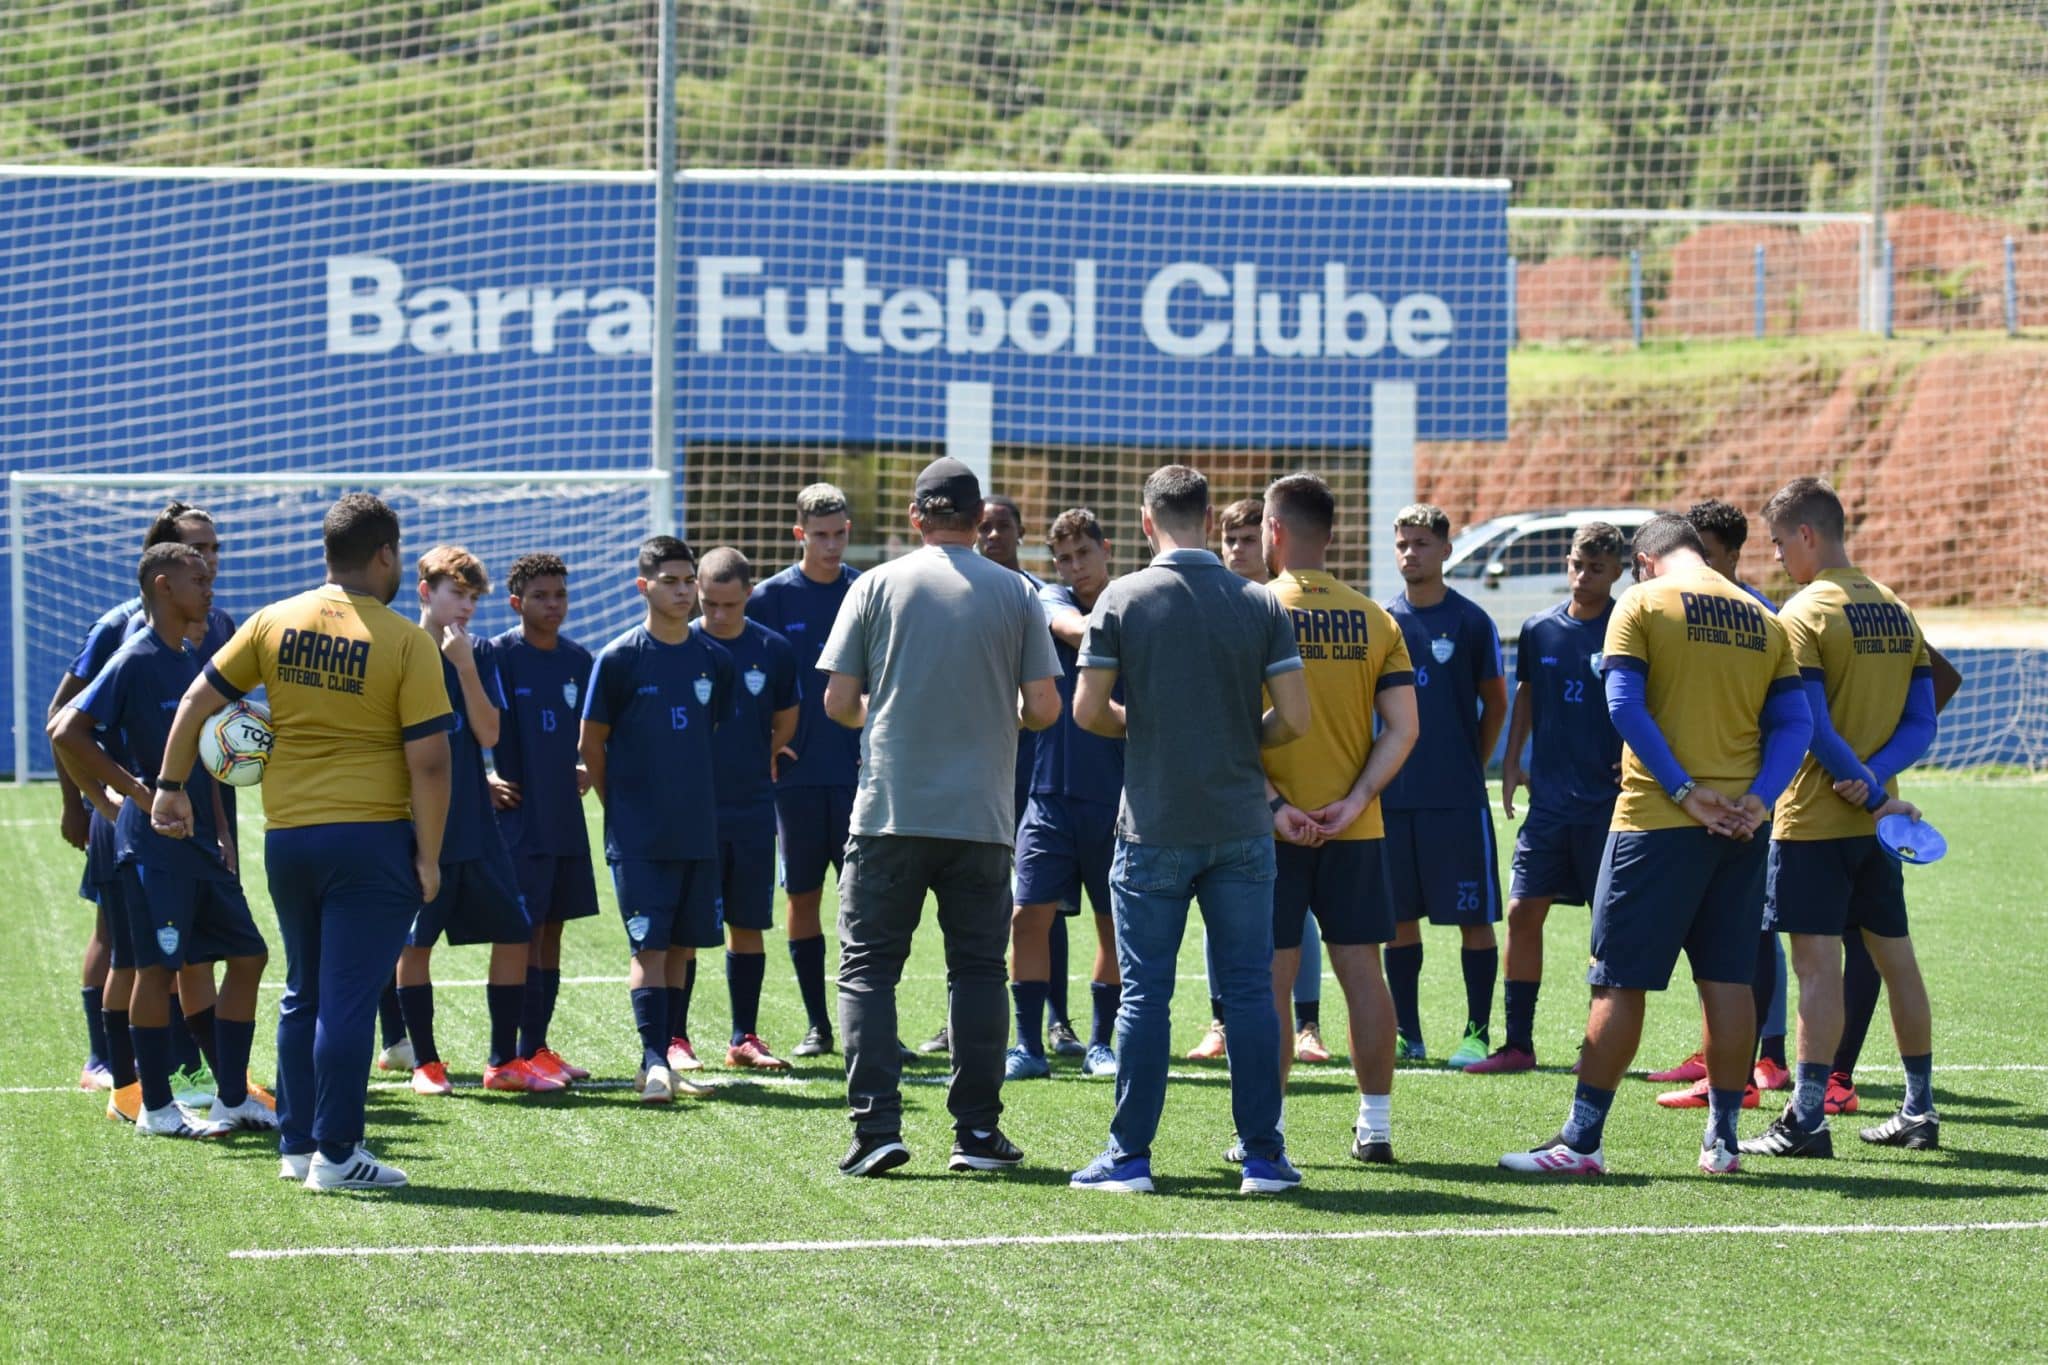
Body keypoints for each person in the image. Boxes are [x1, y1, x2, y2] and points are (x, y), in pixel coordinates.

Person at [151, 492, 454, 1191]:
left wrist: (168, 784)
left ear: (325, 555)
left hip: (288, 841)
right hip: (371, 840)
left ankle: (297, 1145)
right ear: (385, 555)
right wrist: (431, 856)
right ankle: (340, 1153)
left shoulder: (272, 619)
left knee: (304, 994)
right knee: (347, 1000)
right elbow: (432, 763)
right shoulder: (407, 640)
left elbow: (199, 699)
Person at [1500, 514, 1810, 1177]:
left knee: (1619, 980)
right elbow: (1795, 721)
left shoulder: (1642, 602)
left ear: (1643, 560)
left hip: (1655, 822)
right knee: (1728, 980)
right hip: (1742, 829)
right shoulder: (1763, 616)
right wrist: (1758, 797)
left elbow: (1623, 704)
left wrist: (1683, 787)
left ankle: (1582, 1141)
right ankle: (1722, 1142)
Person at [1068, 464, 1311, 1197]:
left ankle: (1130, 1158)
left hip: (1154, 826)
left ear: (1148, 522)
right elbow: (1295, 718)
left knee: (1146, 995)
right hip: (1241, 822)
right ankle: (1263, 1157)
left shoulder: (1122, 597)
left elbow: (1086, 710)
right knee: (1249, 992)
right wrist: (1238, 739)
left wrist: (1146, 727)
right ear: (1210, 521)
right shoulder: (1260, 600)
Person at [818, 457, 1061, 1178]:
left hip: (890, 808)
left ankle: (876, 1129)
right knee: (980, 971)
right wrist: (999, 718)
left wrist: (887, 717)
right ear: (977, 515)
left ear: (918, 515)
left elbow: (837, 702)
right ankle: (978, 1133)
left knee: (867, 970)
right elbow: (1044, 707)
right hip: (981, 815)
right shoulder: (1015, 590)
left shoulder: (876, 584)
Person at [1740, 478, 1943, 1157]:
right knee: (1898, 963)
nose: (1776, 558)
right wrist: (1879, 779)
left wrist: (1858, 779)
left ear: (1806, 535)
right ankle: (1919, 1107)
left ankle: (1805, 1119)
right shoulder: (1895, 606)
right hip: (1879, 828)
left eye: (1777, 542)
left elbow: (1809, 722)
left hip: (1817, 823)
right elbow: (1923, 719)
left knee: (1817, 970)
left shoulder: (1805, 612)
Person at [50, 542, 272, 1138]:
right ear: (163, 585)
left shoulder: (196, 657)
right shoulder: (135, 656)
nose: (210, 586)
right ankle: (154, 1106)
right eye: (197, 577)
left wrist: (224, 829)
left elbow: (208, 758)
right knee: (155, 970)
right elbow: (65, 728)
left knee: (250, 955)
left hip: (201, 843)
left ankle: (230, 1097)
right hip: (153, 845)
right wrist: (128, 796)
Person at [1256, 475, 1419, 1163]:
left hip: (1273, 830)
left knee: (1269, 978)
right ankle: (1375, 1125)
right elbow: (1405, 727)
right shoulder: (1377, 617)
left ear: (1274, 531)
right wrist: (1355, 801)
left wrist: (1275, 807)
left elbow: (1230, 725)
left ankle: (1266, 1131)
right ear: (1333, 535)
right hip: (1355, 827)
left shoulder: (1254, 607)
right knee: (1362, 972)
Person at [396, 548, 559, 1095]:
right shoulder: (400, 650)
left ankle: (500, 1061)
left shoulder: (479, 653)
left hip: (476, 825)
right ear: (425, 592)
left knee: (514, 933)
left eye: (471, 598)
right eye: (455, 595)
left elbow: (489, 734)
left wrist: (465, 665)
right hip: (419, 827)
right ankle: (425, 1061)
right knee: (414, 945)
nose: (465, 607)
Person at [1646, 499, 1792, 1097]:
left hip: (1740, 807)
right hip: (1702, 802)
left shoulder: (1760, 615)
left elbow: (1792, 715)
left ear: (1733, 555)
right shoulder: (1675, 611)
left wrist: (1754, 793)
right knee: (1715, 946)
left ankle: (1770, 1057)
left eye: (1708, 552)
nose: (1697, 564)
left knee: (1755, 931)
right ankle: (1721, 1057)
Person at [581, 537, 733, 1104]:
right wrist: (618, 805)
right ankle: (651, 1062)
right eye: (670, 580)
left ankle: (667, 1056)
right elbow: (591, 743)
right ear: (643, 586)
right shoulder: (619, 658)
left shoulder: (712, 659)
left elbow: (707, 729)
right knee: (648, 949)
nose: (683, 589)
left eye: (688, 579)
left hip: (696, 828)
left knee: (682, 948)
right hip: (639, 834)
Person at [1471, 522, 1627, 1074]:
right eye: (1577, 566)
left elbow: (1652, 701)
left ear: (1618, 574)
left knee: (1605, 927)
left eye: (1597, 569)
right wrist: (1513, 761)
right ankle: (1518, 1043)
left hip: (1609, 806)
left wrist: (1637, 760)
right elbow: (1527, 694)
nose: (1583, 577)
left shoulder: (1626, 628)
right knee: (1521, 911)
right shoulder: (1540, 629)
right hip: (1551, 802)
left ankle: (1599, 1042)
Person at [1190, 497, 1331, 1067]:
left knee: (1296, 912)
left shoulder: (1288, 607)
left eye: (1251, 538)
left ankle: (1308, 1025)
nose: (1240, 549)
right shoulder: (1216, 608)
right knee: (1217, 903)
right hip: (1231, 790)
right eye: (1232, 540)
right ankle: (1221, 1020)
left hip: (1290, 787)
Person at [1379, 504, 1508, 1070]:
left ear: (1446, 551)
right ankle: (1409, 1034)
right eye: (1403, 543)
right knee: (1398, 921)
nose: (1411, 553)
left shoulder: (1473, 622)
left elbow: (1496, 704)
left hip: (1456, 800)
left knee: (1473, 919)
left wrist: (1469, 765)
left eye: (1422, 544)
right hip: (1395, 798)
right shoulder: (1384, 622)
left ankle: (1476, 1033)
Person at [1008, 508, 1125, 1080]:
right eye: (1064, 558)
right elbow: (1069, 627)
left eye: (1084, 553)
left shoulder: (1135, 598)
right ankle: (1028, 1047)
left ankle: (1101, 1044)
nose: (1075, 566)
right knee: (1027, 916)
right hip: (1048, 793)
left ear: (1107, 548)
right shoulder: (1051, 600)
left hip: (1117, 797)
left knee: (1113, 923)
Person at [747, 484, 861, 1058]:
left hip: (862, 775)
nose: (832, 544)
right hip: (795, 780)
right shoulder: (768, 600)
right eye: (820, 535)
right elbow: (740, 676)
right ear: (800, 535)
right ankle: (819, 1025)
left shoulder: (866, 590)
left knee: (866, 902)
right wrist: (759, 745)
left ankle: (867, 1024)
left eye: (840, 533)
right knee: (803, 898)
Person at [484, 552, 599, 1084]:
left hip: (564, 819)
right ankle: (505, 1053)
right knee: (519, 933)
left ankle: (538, 1048)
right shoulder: (497, 656)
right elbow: (470, 724)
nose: (553, 605)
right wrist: (484, 775)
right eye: (540, 597)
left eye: (560, 595)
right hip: (518, 822)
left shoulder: (580, 660)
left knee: (552, 932)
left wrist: (587, 766)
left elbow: (593, 733)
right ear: (516, 603)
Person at [695, 547, 802, 1071]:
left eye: (729, 605)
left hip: (753, 806)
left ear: (749, 596)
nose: (717, 615)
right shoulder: (681, 644)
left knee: (748, 923)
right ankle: (675, 1039)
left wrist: (763, 753)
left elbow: (788, 715)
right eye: (708, 603)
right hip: (690, 810)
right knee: (685, 928)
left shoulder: (772, 648)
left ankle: (744, 1036)